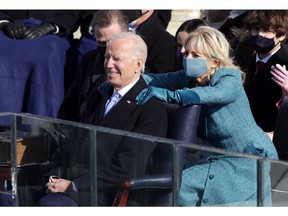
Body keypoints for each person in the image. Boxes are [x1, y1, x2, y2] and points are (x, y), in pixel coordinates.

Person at [0, 32, 168, 206]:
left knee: (51, 205)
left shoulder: (151, 109)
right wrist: (54, 176)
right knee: (7, 198)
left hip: (104, 192)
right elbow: (73, 142)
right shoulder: (99, 95)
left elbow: (126, 167)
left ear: (138, 64)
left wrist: (74, 185)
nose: (109, 65)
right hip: (69, 181)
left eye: (116, 59)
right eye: (107, 57)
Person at [134, 26, 278, 206]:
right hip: (218, 156)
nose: (187, 59)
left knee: (182, 185)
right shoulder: (189, 78)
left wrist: (174, 96)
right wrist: (124, 80)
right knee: (179, 185)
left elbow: (215, 94)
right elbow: (153, 79)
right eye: (186, 54)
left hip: (248, 158)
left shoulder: (229, 78)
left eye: (195, 55)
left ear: (215, 61)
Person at [0, 10, 80, 118]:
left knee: (48, 54)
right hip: (5, 29)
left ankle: (43, 125)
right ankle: (4, 122)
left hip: (53, 33)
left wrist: (51, 26)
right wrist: (4, 22)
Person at [57, 10, 129, 122]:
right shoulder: (88, 59)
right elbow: (71, 102)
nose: (107, 48)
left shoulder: (134, 66)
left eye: (111, 41)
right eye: (101, 43)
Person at [242, 10, 288, 133]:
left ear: (281, 35)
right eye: (256, 29)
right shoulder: (243, 58)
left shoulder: (285, 63)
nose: (259, 35)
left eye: (266, 30)